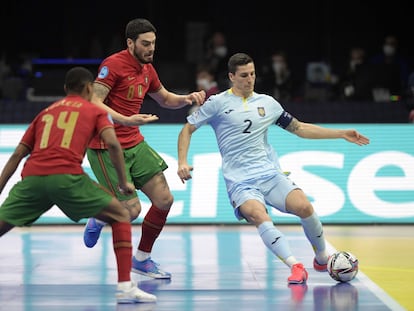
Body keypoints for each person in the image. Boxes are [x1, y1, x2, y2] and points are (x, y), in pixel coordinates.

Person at [177, 53, 370, 284]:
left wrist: (340, 134)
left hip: (270, 174)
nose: (250, 80)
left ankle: (321, 257)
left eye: (252, 74)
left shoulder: (268, 103)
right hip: (240, 182)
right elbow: (187, 129)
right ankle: (295, 266)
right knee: (260, 216)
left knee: (305, 207)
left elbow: (299, 129)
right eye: (244, 75)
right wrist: (182, 162)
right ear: (231, 77)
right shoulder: (217, 103)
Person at [0, 67, 156, 303]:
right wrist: (123, 182)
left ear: (65, 89)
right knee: (121, 215)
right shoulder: (94, 110)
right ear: (89, 88)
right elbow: (113, 145)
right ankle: (125, 287)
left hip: (32, 179)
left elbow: (17, 156)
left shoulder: (45, 113)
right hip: (66, 178)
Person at [82, 18, 206, 279]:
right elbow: (93, 101)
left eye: (153, 44)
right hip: (105, 145)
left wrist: (186, 98)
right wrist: (125, 119)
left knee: (164, 200)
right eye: (145, 44)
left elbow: (164, 99)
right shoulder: (112, 65)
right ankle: (99, 216)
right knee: (131, 210)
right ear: (130, 43)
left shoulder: (148, 69)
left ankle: (142, 259)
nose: (151, 49)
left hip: (133, 142)